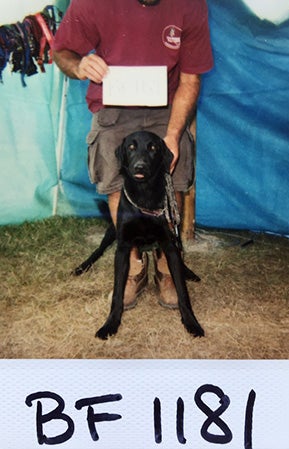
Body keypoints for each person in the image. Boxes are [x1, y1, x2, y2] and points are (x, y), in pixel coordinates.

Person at [53, 0, 213, 309]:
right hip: (113, 105)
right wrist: (79, 65)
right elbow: (62, 53)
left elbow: (191, 78)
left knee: (176, 176)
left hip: (166, 105)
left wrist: (173, 135)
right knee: (113, 175)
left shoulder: (191, 4)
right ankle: (134, 266)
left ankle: (167, 265)